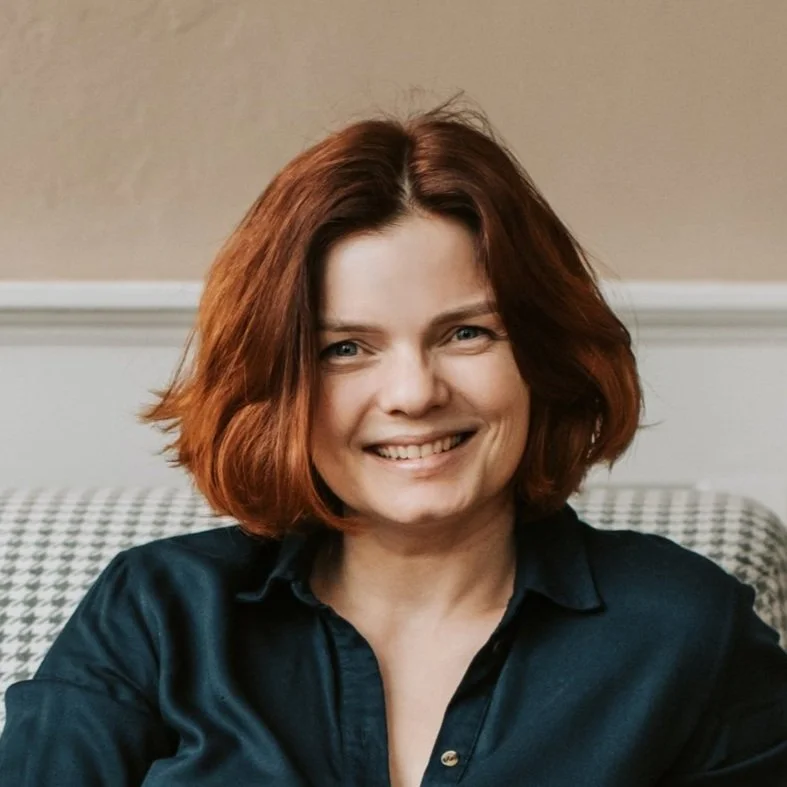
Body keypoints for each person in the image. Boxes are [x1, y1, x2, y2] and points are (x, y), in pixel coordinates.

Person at [1, 100, 786, 787]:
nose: (413, 392)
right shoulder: (158, 612)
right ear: (280, 381)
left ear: (542, 356)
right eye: (345, 347)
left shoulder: (686, 627)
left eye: (466, 332)